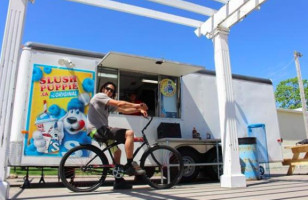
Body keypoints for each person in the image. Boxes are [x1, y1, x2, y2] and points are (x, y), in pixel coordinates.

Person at [87, 82, 148, 190]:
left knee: (117, 152)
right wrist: (138, 105)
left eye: (112, 91)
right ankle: (130, 164)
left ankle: (118, 180)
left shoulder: (106, 104)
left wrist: (139, 110)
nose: (109, 91)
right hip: (99, 130)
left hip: (99, 131)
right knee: (129, 133)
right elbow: (119, 104)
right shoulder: (99, 96)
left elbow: (123, 110)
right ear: (103, 89)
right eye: (107, 89)